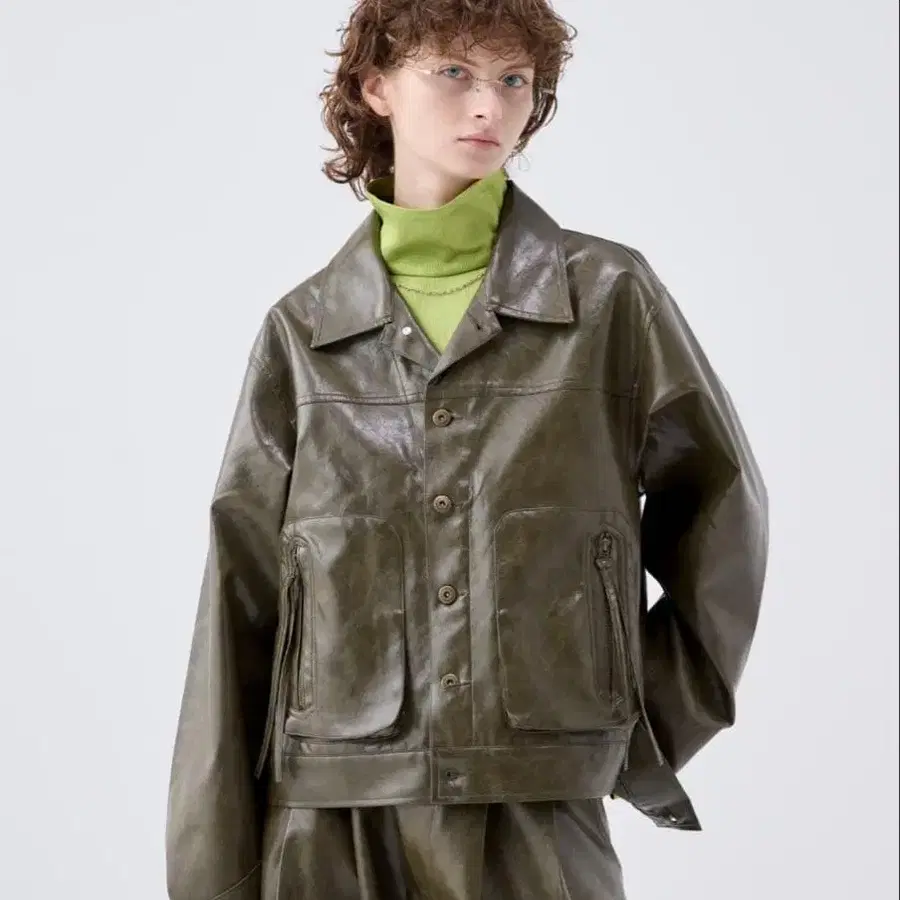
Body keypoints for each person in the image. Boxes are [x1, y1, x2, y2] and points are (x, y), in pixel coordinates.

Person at [164, 1, 769, 898]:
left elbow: (721, 512)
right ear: (376, 87)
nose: (490, 106)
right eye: (453, 72)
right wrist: (212, 872)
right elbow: (238, 600)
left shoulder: (608, 298)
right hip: (327, 822)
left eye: (514, 80)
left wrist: (620, 726)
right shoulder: (305, 333)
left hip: (536, 811)